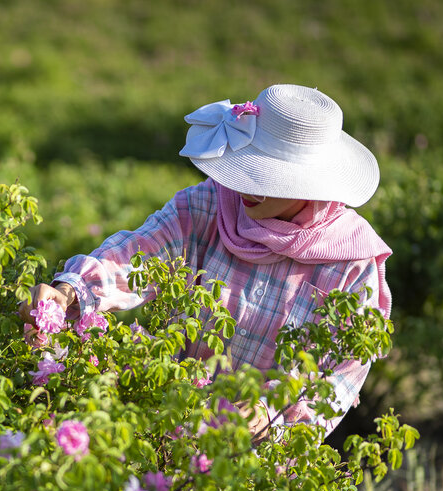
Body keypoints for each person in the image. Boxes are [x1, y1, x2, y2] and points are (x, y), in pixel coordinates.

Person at [20, 84, 392, 438]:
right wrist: (71, 291)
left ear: (309, 184)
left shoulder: (350, 263)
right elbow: (139, 253)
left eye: (266, 178)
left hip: (258, 464)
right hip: (169, 427)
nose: (246, 187)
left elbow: (339, 377)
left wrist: (269, 414)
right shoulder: (210, 205)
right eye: (248, 168)